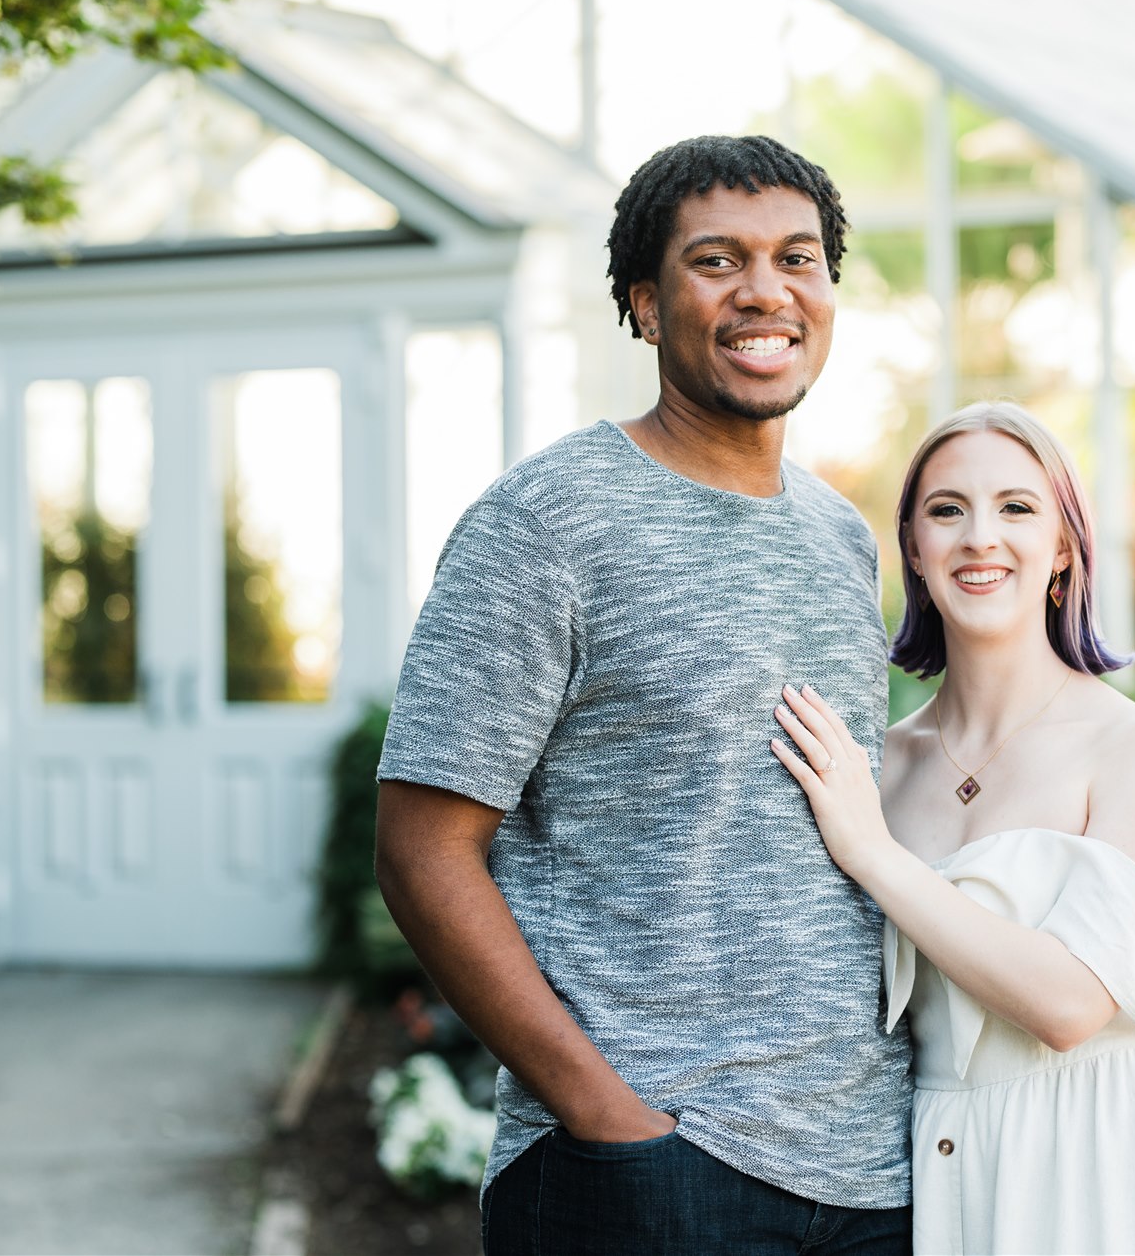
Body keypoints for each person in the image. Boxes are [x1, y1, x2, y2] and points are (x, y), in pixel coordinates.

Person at [373, 135, 912, 1256]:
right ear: (644, 304)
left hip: (868, 1168)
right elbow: (420, 850)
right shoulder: (545, 524)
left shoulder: (838, 538)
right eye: (716, 261)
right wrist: (608, 1116)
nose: (765, 290)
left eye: (796, 259)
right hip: (646, 1174)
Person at [771, 402, 1135, 1254]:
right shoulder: (872, 768)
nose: (979, 537)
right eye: (947, 510)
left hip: (1108, 1165)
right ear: (914, 548)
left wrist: (874, 855)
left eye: (1018, 508)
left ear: (1065, 547)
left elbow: (1069, 1004)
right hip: (931, 1172)